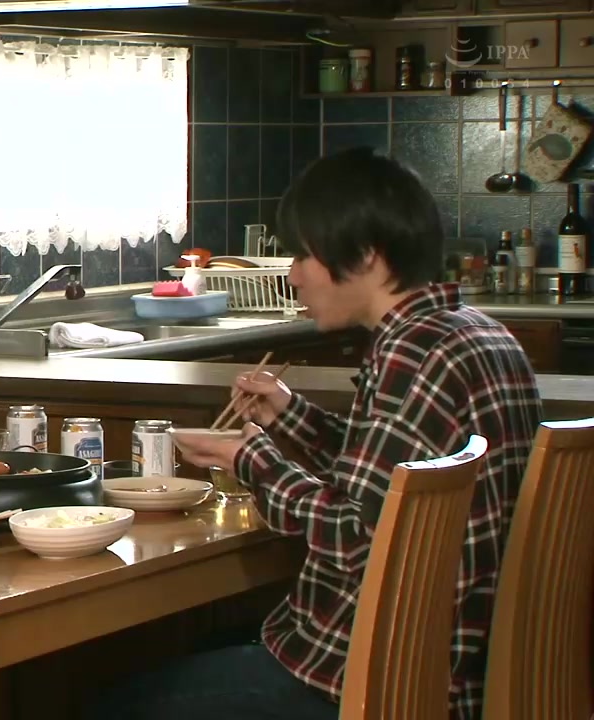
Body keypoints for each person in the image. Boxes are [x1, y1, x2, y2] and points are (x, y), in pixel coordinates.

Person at [86, 147, 543, 720]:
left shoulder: (413, 353)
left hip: (376, 678)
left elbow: (358, 537)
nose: (294, 274)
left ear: (368, 255)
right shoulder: (474, 334)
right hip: (451, 663)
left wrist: (254, 460)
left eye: (305, 254)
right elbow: (387, 475)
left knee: (111, 704)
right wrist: (288, 415)